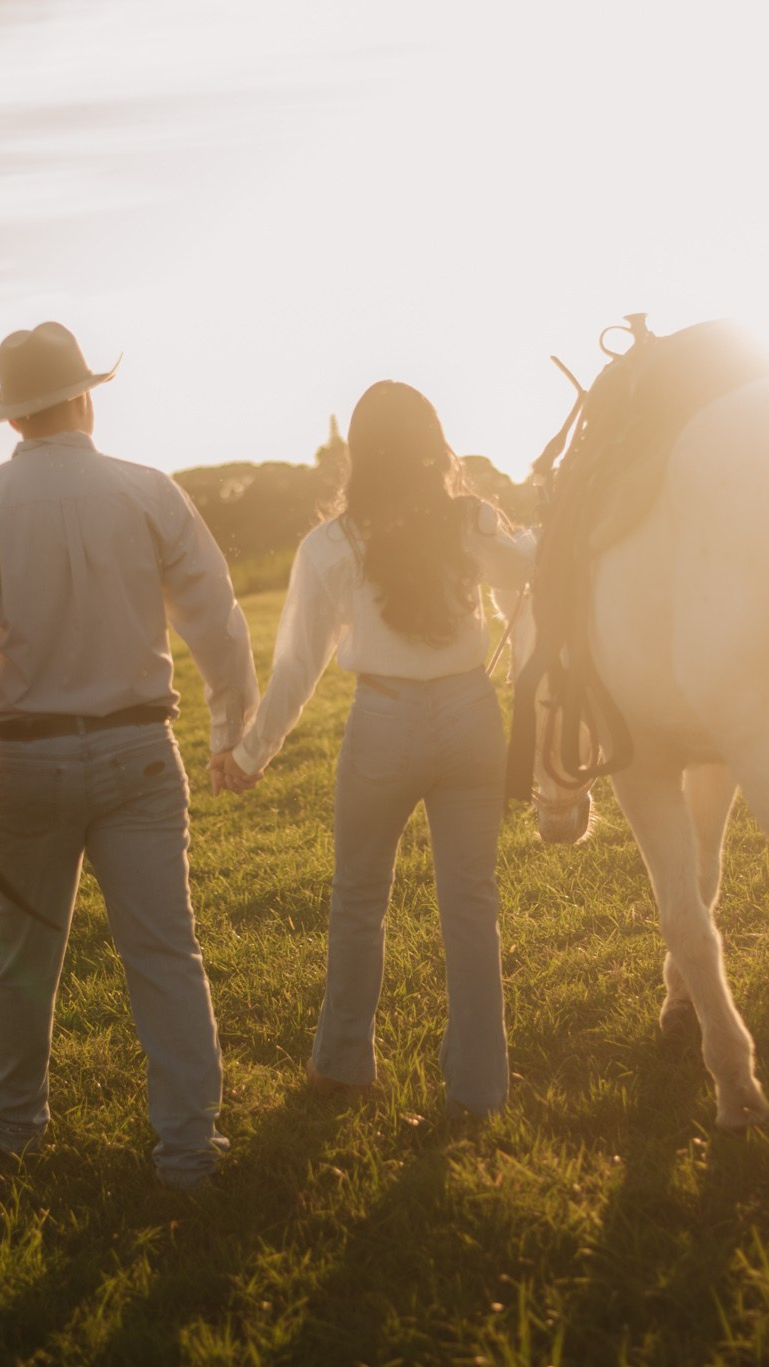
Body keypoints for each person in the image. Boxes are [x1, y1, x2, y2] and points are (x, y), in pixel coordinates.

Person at [0, 321, 259, 1190]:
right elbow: (217, 620)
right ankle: (189, 1150)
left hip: (26, 762)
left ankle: (10, 1120)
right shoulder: (149, 490)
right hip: (142, 749)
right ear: (85, 397)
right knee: (165, 951)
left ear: (12, 418)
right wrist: (230, 731)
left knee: (23, 958)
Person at [228, 380, 530, 1116]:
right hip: (471, 716)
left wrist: (248, 754)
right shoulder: (474, 522)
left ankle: (341, 1064)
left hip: (384, 722)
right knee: (471, 905)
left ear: (357, 454)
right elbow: (533, 577)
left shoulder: (332, 543)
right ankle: (480, 1087)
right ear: (435, 445)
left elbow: (297, 665)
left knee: (359, 899)